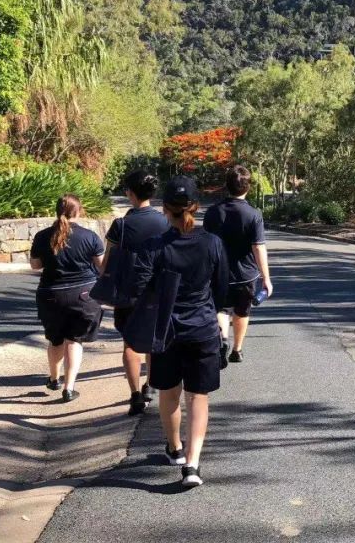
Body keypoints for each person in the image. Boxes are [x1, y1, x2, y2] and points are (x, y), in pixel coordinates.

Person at [130, 177, 229, 488]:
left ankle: (174, 449)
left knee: (169, 392)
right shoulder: (213, 243)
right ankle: (193, 464)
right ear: (196, 208)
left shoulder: (154, 248)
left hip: (166, 330)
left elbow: (137, 288)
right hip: (201, 328)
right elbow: (222, 292)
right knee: (198, 397)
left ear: (164, 209)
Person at [102, 170, 171, 416]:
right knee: (152, 341)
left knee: (130, 344)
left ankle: (134, 396)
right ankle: (150, 386)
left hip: (128, 292)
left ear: (130, 193)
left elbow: (107, 262)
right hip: (157, 290)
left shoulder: (121, 225)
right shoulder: (165, 222)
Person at [30, 194, 104, 403]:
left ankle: (54, 378)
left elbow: (35, 265)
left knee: (56, 340)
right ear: (78, 212)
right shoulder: (90, 237)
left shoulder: (43, 236)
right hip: (83, 295)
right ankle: (69, 388)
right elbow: (101, 266)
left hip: (51, 295)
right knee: (74, 340)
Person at [204, 165, 273, 364]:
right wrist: (266, 278)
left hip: (218, 273)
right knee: (242, 311)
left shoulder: (213, 212)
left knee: (221, 309)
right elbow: (258, 247)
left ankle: (222, 339)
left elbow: (207, 243)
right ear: (248, 187)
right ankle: (237, 350)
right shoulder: (253, 214)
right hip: (246, 274)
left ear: (226, 186)